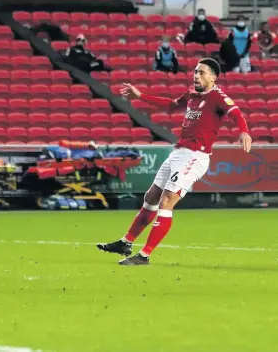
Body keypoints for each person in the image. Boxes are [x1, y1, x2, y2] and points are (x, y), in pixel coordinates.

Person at [97, 58, 252, 265]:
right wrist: (140, 96)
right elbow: (170, 105)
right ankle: (126, 242)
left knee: (167, 199)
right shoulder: (192, 94)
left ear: (213, 77)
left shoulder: (218, 97)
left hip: (196, 156)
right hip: (178, 152)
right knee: (151, 195)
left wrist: (244, 131)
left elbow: (236, 113)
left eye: (201, 73)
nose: (196, 75)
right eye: (195, 72)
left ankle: (145, 255)